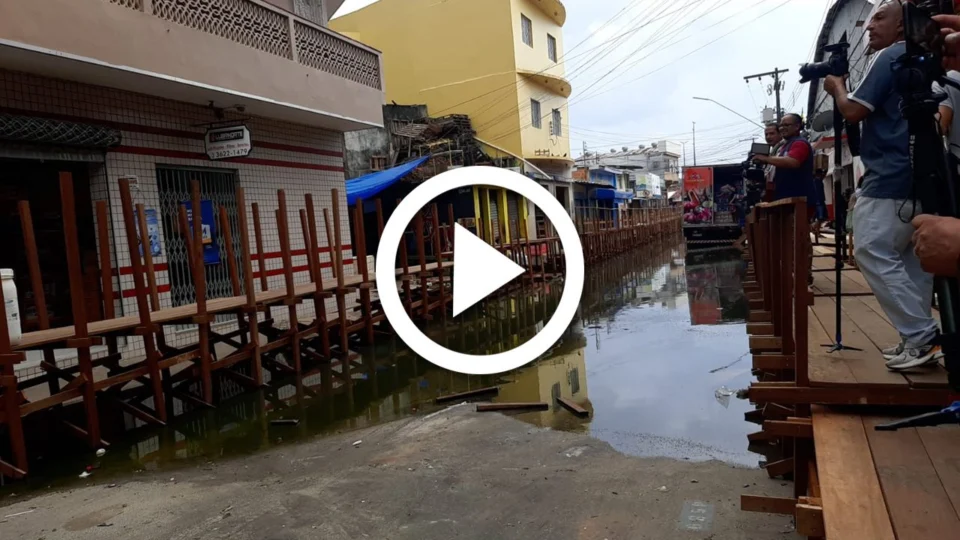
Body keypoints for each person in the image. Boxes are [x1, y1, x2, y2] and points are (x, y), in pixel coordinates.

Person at [823, 0, 941, 370]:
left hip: (888, 175)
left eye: (878, 18)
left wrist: (837, 86)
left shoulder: (890, 55)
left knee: (871, 251)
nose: (869, 26)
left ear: (901, 26)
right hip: (920, 175)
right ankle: (917, 340)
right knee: (910, 261)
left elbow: (853, 110)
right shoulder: (923, 59)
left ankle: (921, 335)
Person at [762, 122, 784, 202]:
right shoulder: (773, 152)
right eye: (766, 134)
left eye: (772, 134)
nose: (768, 137)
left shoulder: (784, 148)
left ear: (780, 134)